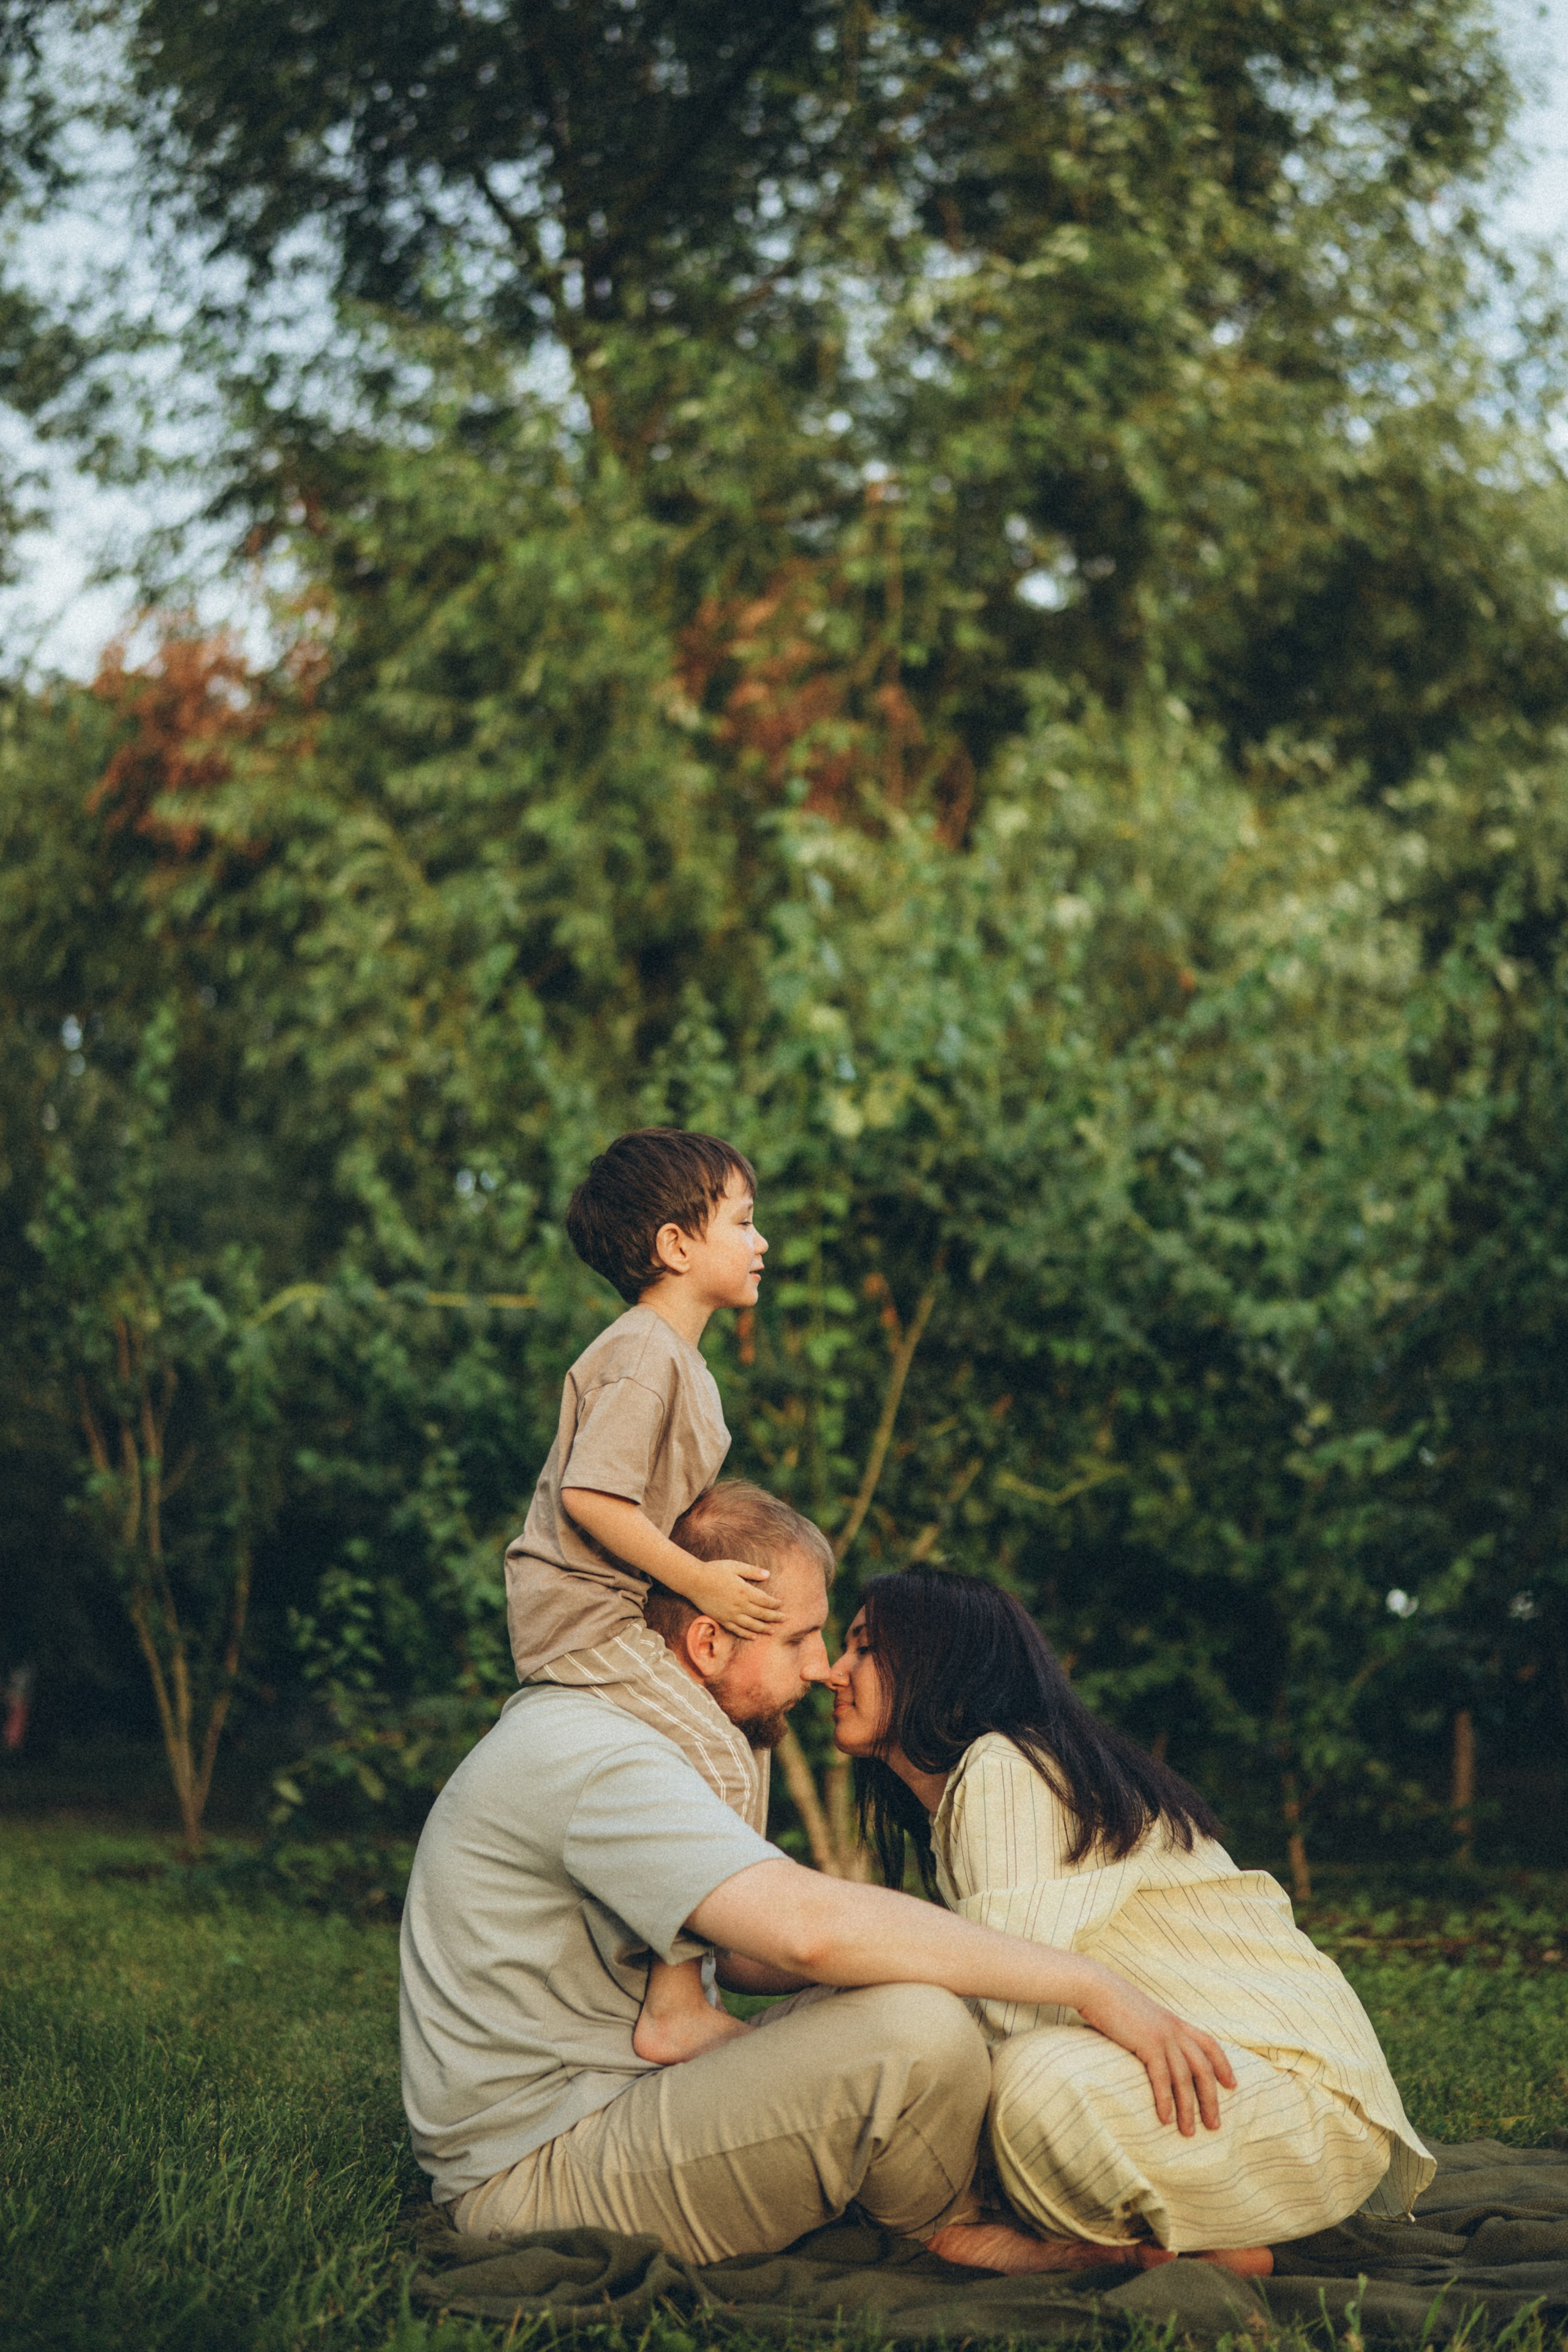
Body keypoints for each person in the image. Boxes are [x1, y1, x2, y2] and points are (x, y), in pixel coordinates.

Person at [401, 1483, 1237, 2265]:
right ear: (709, 1639)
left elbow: (742, 1955)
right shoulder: (602, 1756)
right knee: (915, 2033)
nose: (819, 1667)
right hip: (534, 2176)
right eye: (800, 1638)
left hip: (626, 2103)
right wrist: (1091, 1984)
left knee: (907, 1988)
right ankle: (953, 2232)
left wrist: (922, 1947)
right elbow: (804, 1932)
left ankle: (998, 2207)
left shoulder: (667, 1739)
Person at [827, 1567, 1434, 2278]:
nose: (831, 1671)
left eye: (862, 1647)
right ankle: (1169, 2247)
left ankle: (1008, 2231)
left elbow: (1008, 2011)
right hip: (1216, 2087)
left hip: (1286, 2096)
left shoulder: (1007, 1768)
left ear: (938, 1660)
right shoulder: (968, 1798)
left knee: (1028, 2083)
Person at [504, 1126, 784, 2064]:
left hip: (622, 1611)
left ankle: (719, 1953)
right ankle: (675, 2000)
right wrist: (700, 1581)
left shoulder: (680, 1363)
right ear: (675, 1246)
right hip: (581, 1618)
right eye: (743, 1222)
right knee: (716, 1749)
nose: (761, 1242)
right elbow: (591, 1496)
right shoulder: (643, 1353)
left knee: (745, 1734)